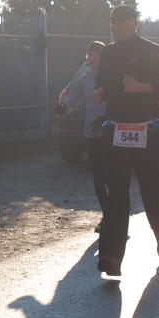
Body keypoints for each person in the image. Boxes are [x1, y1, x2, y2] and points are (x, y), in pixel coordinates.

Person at [94, 5, 159, 276]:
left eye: (122, 22)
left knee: (151, 188)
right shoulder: (107, 53)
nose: (116, 26)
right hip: (116, 130)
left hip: (147, 129)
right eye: (113, 22)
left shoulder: (152, 51)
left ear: (134, 23)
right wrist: (101, 92)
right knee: (116, 193)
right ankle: (112, 255)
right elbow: (102, 80)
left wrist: (144, 87)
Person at [58, 41, 108, 231]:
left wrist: (107, 116)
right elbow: (73, 97)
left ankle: (119, 217)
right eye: (90, 54)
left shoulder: (111, 76)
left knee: (114, 176)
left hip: (112, 131)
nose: (93, 58)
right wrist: (64, 107)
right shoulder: (85, 78)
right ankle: (106, 216)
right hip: (92, 131)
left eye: (96, 54)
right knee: (98, 176)